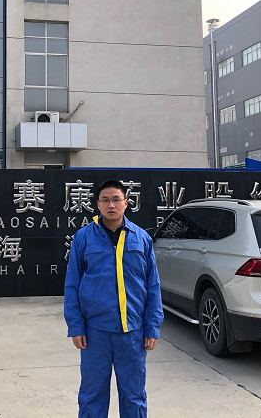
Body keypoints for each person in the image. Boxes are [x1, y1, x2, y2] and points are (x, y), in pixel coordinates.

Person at [64, 179, 163, 418]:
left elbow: (152, 286)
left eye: (116, 200)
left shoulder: (141, 238)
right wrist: (76, 326)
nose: (111, 205)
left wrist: (152, 327)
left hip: (132, 332)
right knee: (92, 395)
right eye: (106, 200)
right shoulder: (83, 238)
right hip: (95, 332)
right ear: (97, 204)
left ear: (126, 203)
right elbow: (72, 284)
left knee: (134, 395)